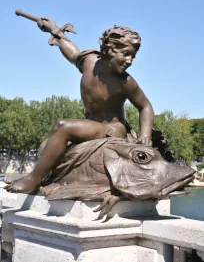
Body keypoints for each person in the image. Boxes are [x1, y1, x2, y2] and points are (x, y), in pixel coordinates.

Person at [5, 19, 154, 194]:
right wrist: (54, 30)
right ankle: (51, 181)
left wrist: (145, 136)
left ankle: (32, 181)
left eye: (133, 56)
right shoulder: (89, 62)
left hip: (112, 130)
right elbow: (73, 53)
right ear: (110, 50)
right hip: (91, 126)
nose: (129, 61)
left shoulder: (125, 82)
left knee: (62, 126)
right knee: (46, 147)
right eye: (125, 54)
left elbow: (145, 106)